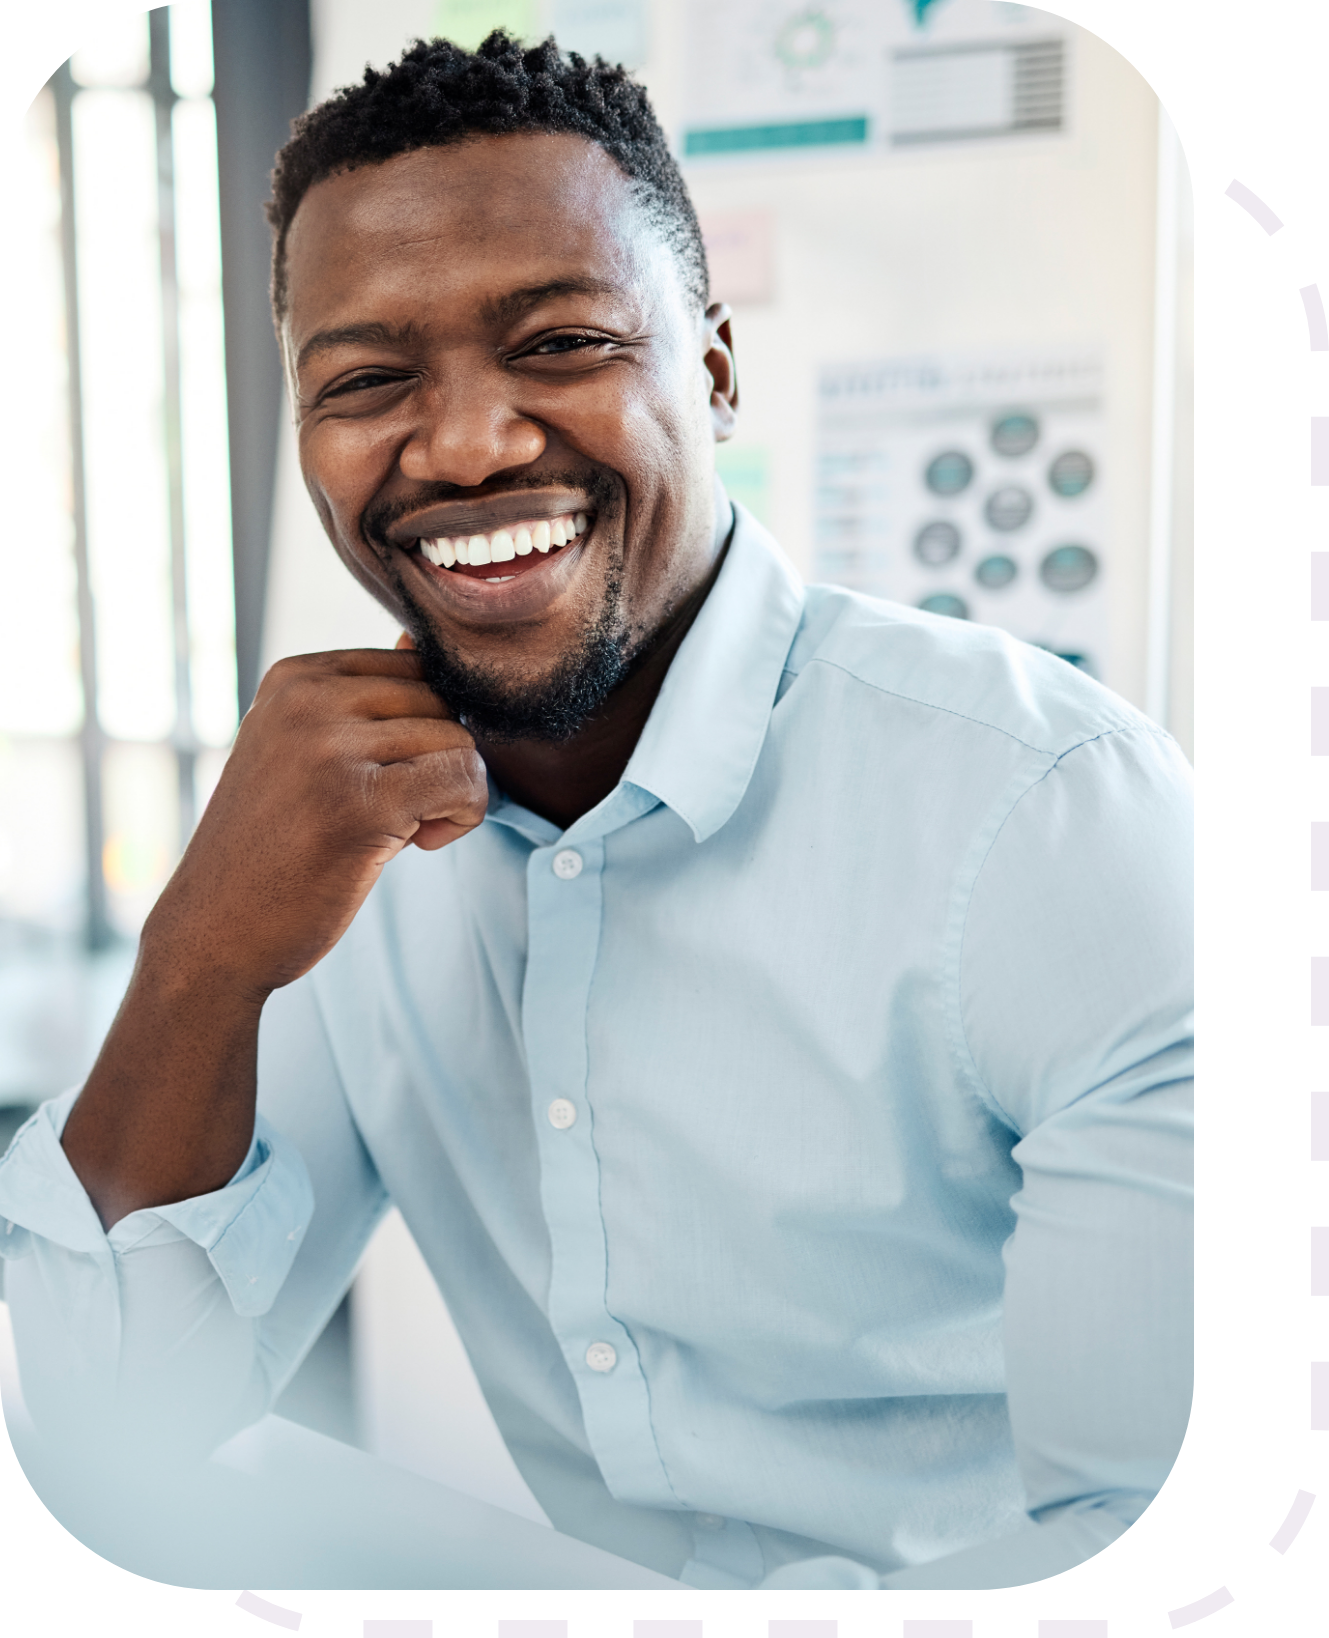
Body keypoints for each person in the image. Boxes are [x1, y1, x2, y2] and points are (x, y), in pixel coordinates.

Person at [0, 31, 1192, 1591]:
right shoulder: (328, 836)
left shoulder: (1052, 816)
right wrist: (199, 960)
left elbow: (1139, 1525)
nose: (472, 442)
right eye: (368, 380)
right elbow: (108, 1438)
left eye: (558, 342)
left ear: (708, 365)